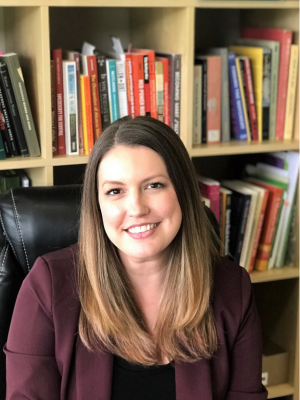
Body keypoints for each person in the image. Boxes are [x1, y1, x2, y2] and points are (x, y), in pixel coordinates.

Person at [5, 116, 267, 399]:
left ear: (183, 192)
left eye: (154, 185)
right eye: (115, 191)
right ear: (98, 205)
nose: (137, 208)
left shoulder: (232, 289)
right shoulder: (46, 286)